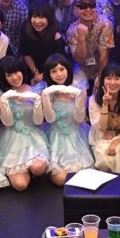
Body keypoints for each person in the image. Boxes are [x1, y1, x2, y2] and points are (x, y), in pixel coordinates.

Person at [0, 57, 49, 191]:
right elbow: (7, 122)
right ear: (4, 77)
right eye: (9, 75)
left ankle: (31, 169)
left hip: (34, 136)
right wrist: (7, 99)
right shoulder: (0, 94)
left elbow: (39, 120)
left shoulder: (35, 90)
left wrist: (35, 99)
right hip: (12, 139)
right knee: (20, 185)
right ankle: (23, 170)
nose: (14, 77)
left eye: (16, 72)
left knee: (38, 168)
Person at [41, 54, 94, 186]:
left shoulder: (79, 87)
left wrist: (78, 96)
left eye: (62, 69)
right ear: (49, 74)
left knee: (85, 172)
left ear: (68, 69)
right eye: (54, 71)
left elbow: (80, 118)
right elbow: (50, 119)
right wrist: (46, 96)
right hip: (55, 137)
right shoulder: (47, 91)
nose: (59, 74)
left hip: (77, 135)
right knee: (60, 179)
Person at [88, 62, 120, 182]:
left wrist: (116, 142)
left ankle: (117, 181)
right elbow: (101, 128)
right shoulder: (94, 101)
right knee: (104, 159)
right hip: (100, 138)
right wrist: (105, 105)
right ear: (103, 81)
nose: (112, 82)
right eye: (109, 78)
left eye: (117, 78)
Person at [66, 0, 114, 88]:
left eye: (92, 5)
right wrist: (81, 39)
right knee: (75, 90)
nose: (88, 9)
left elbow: (104, 55)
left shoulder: (105, 24)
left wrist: (100, 77)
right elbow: (79, 59)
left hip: (101, 66)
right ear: (76, 9)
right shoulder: (72, 30)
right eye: (83, 6)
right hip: (82, 67)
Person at [20, 0, 66, 85]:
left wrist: (43, 75)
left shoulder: (56, 35)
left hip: (52, 69)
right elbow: (25, 53)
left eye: (41, 17)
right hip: (31, 69)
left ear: (49, 18)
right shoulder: (25, 28)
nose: (37, 21)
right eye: (34, 17)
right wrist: (35, 72)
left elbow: (58, 60)